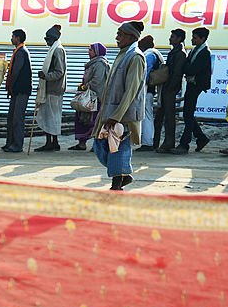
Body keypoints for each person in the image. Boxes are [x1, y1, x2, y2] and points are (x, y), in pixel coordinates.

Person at [94, 21, 147, 190]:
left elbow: (131, 91)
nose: (117, 38)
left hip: (124, 114)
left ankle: (117, 183)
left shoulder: (136, 57)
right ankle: (124, 174)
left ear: (131, 37)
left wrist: (116, 116)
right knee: (101, 146)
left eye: (120, 34)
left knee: (117, 149)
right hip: (111, 111)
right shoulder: (123, 54)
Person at [172, 27, 213, 154]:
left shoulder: (204, 52)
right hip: (192, 83)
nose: (192, 39)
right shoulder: (196, 50)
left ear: (203, 39)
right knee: (188, 113)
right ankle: (200, 138)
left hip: (196, 84)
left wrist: (184, 67)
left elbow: (191, 69)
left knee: (188, 113)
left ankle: (185, 144)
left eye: (195, 38)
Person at [70, 43, 109, 150]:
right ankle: (81, 143)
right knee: (82, 120)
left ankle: (96, 145)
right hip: (87, 97)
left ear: (97, 52)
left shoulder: (100, 64)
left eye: (91, 50)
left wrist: (84, 86)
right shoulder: (93, 63)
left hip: (95, 99)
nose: (88, 52)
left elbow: (97, 81)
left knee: (94, 122)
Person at [155, 29, 188, 153]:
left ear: (179, 39)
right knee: (163, 115)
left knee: (169, 117)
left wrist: (170, 88)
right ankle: (163, 142)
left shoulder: (180, 54)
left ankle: (169, 143)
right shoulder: (174, 52)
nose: (170, 39)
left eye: (173, 37)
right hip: (167, 87)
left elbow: (177, 73)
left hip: (170, 88)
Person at [35, 25, 66, 151]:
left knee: (51, 117)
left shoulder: (57, 50)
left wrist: (46, 76)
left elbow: (59, 72)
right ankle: (51, 142)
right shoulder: (54, 49)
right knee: (49, 116)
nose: (46, 41)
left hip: (53, 89)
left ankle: (52, 143)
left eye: (47, 39)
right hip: (50, 89)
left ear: (52, 39)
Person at [4, 29, 31, 153]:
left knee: (17, 118)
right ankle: (10, 142)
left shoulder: (21, 52)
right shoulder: (19, 51)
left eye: (13, 36)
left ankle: (17, 145)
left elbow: (16, 72)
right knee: (11, 117)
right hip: (16, 90)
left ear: (18, 38)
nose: (11, 39)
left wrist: (10, 85)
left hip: (20, 90)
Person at [137, 35, 165, 151]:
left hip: (147, 90)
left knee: (146, 115)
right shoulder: (156, 54)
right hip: (150, 90)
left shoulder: (149, 55)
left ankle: (147, 142)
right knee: (147, 115)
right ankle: (148, 140)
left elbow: (144, 73)